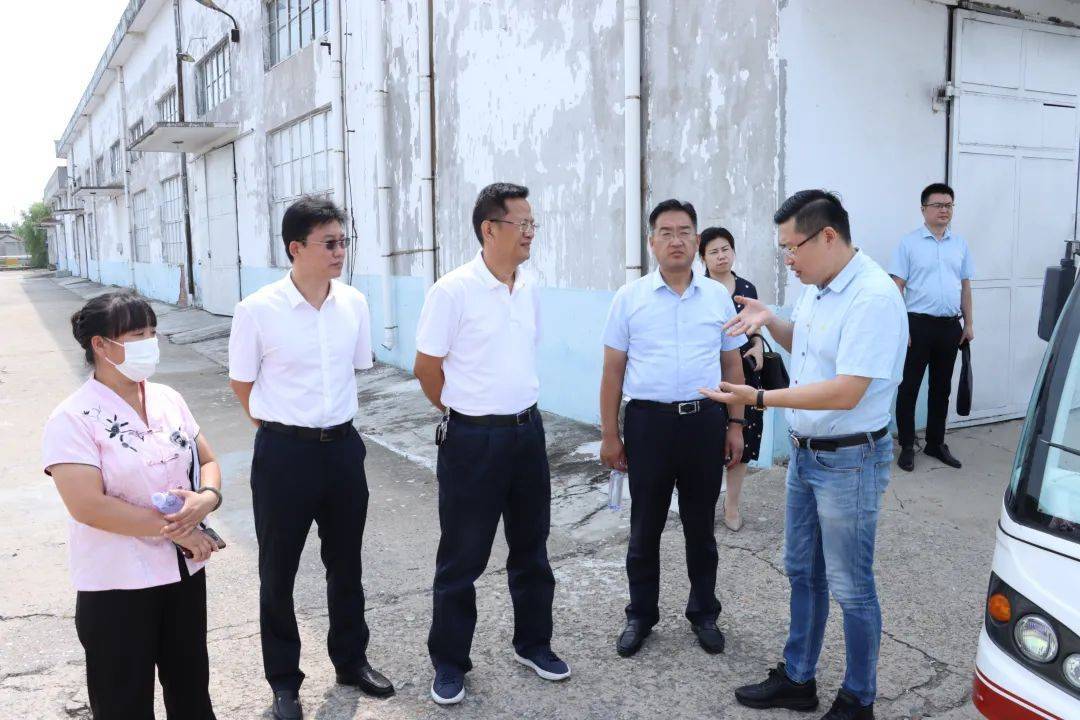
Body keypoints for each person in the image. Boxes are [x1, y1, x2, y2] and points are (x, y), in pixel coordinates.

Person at [702, 190, 907, 720]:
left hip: (850, 460)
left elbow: (847, 390)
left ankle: (858, 698)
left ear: (828, 236)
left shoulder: (872, 297)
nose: (788, 259)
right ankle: (798, 678)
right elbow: (810, 348)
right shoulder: (819, 289)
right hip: (807, 455)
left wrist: (760, 398)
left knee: (851, 586)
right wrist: (771, 321)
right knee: (802, 572)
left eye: (792, 247)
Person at [228, 197, 393, 720]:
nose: (340, 251)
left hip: (342, 449)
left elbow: (356, 366)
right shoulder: (257, 310)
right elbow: (241, 382)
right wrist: (278, 430)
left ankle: (351, 660)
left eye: (343, 241)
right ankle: (284, 681)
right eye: (329, 243)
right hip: (284, 455)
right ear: (296, 248)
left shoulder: (354, 304)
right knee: (278, 571)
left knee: (346, 564)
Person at [414, 182, 570, 706]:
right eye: (521, 224)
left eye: (532, 224)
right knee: (462, 556)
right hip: (472, 440)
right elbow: (427, 368)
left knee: (532, 548)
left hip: (527, 433)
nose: (530, 233)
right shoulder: (452, 291)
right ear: (489, 229)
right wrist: (461, 412)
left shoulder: (529, 286)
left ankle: (534, 644)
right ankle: (450, 662)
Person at [42, 291, 223, 720]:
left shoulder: (167, 398)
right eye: (137, 334)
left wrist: (207, 498)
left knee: (191, 692)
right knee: (123, 703)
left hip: (182, 575)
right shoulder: (72, 418)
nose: (150, 343)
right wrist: (180, 530)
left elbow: (207, 460)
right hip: (117, 585)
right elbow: (89, 506)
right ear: (100, 345)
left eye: (152, 332)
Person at [599, 199, 747, 659]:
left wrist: (736, 424)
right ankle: (641, 614)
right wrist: (610, 435)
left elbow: (732, 364)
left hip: (704, 421)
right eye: (666, 232)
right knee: (645, 526)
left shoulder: (718, 297)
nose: (676, 240)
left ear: (697, 241)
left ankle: (704, 613)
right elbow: (612, 373)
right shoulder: (629, 299)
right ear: (652, 242)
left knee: (701, 527)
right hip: (649, 424)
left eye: (684, 231)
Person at [890, 183, 974, 472]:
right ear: (923, 209)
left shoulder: (960, 244)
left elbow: (965, 286)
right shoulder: (908, 244)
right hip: (917, 326)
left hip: (950, 327)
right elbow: (896, 288)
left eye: (948, 205)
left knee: (941, 389)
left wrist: (968, 323)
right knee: (909, 387)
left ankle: (936, 443)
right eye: (937, 205)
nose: (943, 210)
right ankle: (906, 445)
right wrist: (902, 328)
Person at [699, 226, 765, 531]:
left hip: (745, 376)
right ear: (703, 258)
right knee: (709, 443)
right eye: (713, 251)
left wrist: (758, 345)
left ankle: (732, 505)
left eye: (725, 249)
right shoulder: (697, 289)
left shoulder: (747, 288)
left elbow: (755, 327)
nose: (721, 256)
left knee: (743, 441)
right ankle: (704, 504)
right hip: (710, 375)